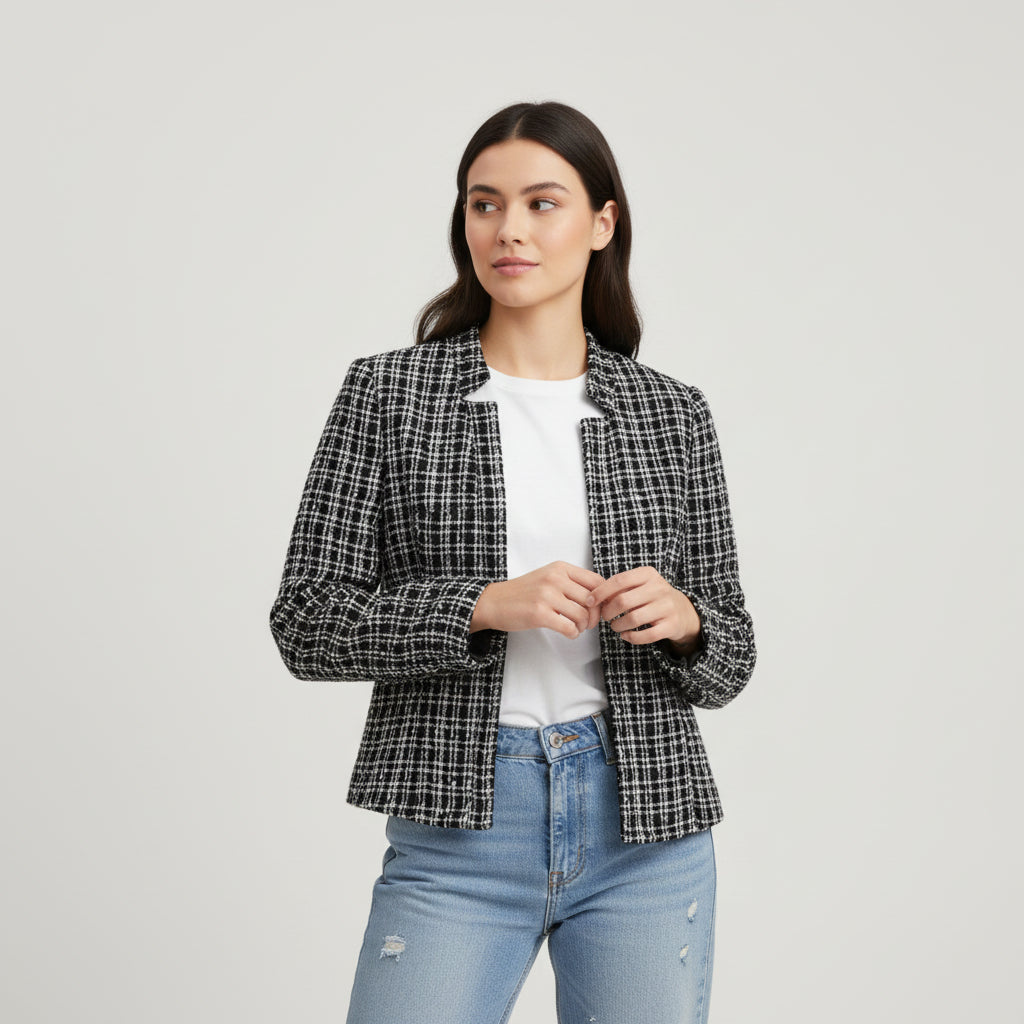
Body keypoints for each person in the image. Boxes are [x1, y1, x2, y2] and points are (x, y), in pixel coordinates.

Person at [269, 100, 756, 1024]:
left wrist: (686, 622)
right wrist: (482, 606)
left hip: (645, 830)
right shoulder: (389, 394)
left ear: (602, 223)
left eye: (542, 203)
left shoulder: (671, 413)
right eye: (484, 204)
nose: (509, 230)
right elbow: (306, 621)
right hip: (462, 826)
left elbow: (731, 657)